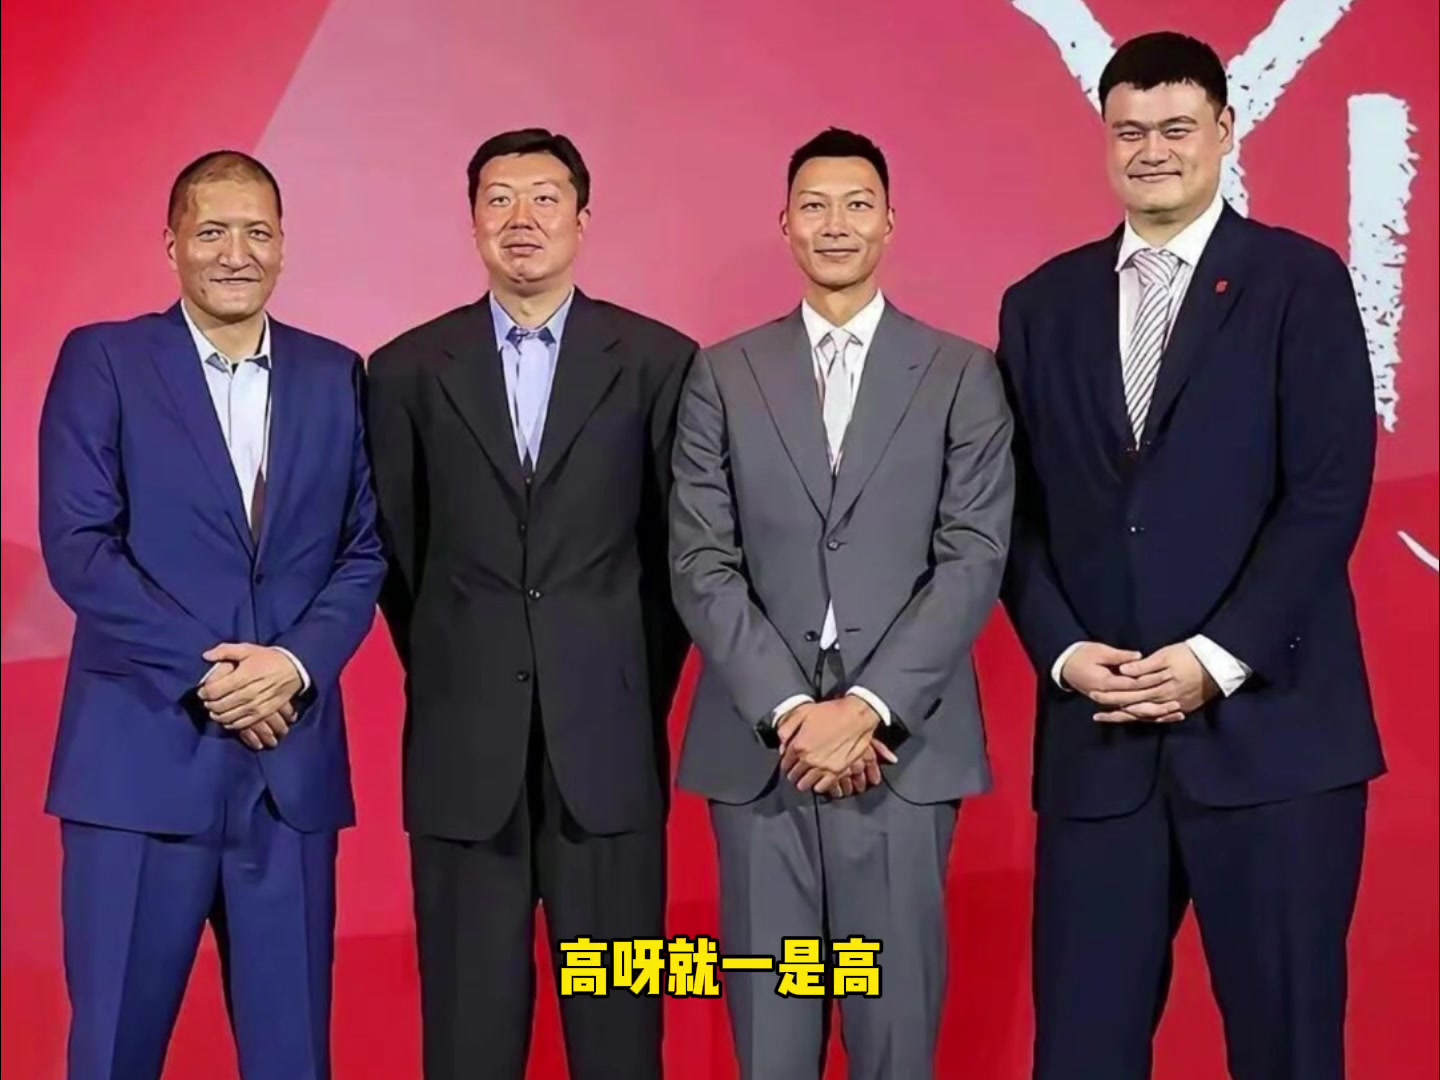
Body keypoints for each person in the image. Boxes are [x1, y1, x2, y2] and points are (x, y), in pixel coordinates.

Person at [997, 31, 1385, 1080]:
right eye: (1130, 131)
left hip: (1274, 744)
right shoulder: (1040, 305)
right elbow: (1012, 514)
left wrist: (1216, 658)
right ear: (1105, 139)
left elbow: (1327, 495)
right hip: (1100, 744)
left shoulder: (1299, 281)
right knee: (1080, 1050)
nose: (1153, 151)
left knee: (1287, 1047)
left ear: (1224, 131)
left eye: (1176, 128)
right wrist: (1064, 653)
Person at [670, 127, 1014, 1079]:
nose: (835, 224)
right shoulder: (723, 373)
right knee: (770, 1040)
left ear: (890, 222)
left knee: (894, 1035)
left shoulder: (960, 373)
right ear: (784, 223)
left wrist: (865, 709)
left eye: (857, 204)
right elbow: (700, 559)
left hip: (905, 750)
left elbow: (973, 557)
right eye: (814, 205)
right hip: (761, 752)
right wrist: (794, 712)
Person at [38, 150, 385, 1080]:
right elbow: (80, 546)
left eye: (258, 232)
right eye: (213, 231)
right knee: (113, 1051)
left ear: (284, 246)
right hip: (138, 764)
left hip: (289, 772)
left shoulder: (336, 375)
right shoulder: (105, 360)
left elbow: (363, 550)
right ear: (172, 245)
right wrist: (217, 675)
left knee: (293, 1057)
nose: (238, 253)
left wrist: (293, 668)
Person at [365, 128, 695, 1080]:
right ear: (472, 220)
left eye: (545, 198)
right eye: (499, 199)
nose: (522, 219)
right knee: (467, 1038)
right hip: (465, 750)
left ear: (583, 219)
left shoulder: (658, 361)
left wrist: (616, 675)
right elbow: (399, 557)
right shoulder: (405, 370)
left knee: (620, 1035)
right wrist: (468, 663)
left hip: (608, 747)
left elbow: (675, 558)